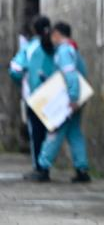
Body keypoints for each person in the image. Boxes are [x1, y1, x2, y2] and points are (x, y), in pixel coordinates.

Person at [34, 22, 91, 183]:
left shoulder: (64, 51)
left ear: (57, 34)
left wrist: (72, 97)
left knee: (55, 131)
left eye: (52, 35)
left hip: (66, 101)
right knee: (74, 133)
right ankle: (82, 169)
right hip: (76, 98)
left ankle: (43, 167)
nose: (51, 39)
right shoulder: (73, 50)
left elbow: (69, 74)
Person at [8, 16, 57, 179]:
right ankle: (49, 165)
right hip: (56, 96)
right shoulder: (57, 46)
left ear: (33, 30)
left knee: (36, 134)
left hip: (35, 97)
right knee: (53, 133)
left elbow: (15, 69)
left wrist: (22, 82)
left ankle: (40, 168)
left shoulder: (30, 48)